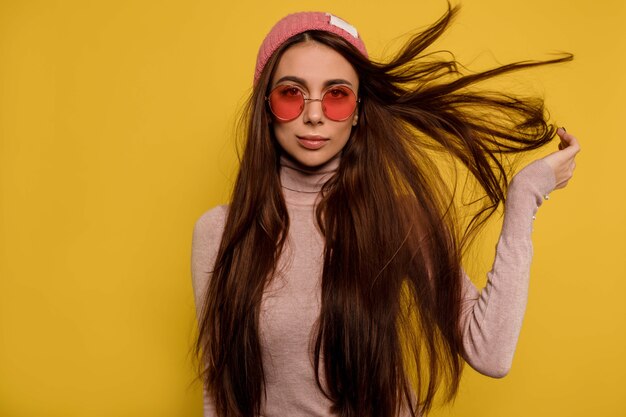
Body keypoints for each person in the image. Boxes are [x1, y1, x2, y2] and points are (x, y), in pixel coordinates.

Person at [191, 5, 580, 417]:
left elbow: (491, 352)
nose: (314, 114)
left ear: (358, 111)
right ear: (266, 108)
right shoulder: (219, 231)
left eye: (337, 95)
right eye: (292, 93)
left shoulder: (400, 221)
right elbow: (219, 387)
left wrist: (525, 197)